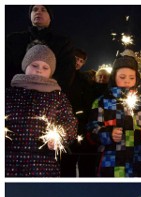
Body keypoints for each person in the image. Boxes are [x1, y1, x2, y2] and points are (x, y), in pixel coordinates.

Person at [5, 43, 77, 177]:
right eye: (34, 65)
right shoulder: (8, 93)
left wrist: (60, 137)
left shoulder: (57, 97)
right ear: (25, 66)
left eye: (45, 67)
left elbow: (69, 122)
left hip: (43, 163)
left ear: (51, 72)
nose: (39, 70)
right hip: (8, 161)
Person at [88, 55, 141, 177]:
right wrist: (109, 134)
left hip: (139, 165)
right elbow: (92, 130)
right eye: (122, 77)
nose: (127, 80)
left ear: (136, 79)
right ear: (114, 77)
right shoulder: (102, 102)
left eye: (131, 77)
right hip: (110, 165)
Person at [6, 5, 76, 94]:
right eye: (35, 10)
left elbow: (66, 73)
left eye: (43, 10)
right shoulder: (13, 39)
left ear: (50, 17)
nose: (38, 12)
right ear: (30, 15)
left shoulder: (63, 42)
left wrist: (51, 93)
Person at [60, 48, 97, 177]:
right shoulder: (59, 73)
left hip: (77, 123)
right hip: (59, 121)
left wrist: (81, 115)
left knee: (74, 154)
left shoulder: (82, 79)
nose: (78, 63)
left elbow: (87, 99)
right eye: (76, 59)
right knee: (65, 160)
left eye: (81, 61)